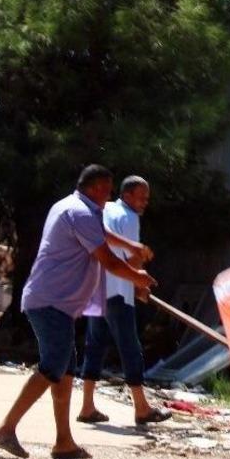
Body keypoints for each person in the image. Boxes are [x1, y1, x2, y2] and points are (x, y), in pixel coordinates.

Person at [0, 165, 156, 459]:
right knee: (52, 366)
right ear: (93, 188)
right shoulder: (79, 212)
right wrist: (138, 278)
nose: (108, 195)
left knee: (65, 372)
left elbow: (103, 236)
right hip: (51, 302)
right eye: (105, 189)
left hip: (59, 304)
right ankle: (5, 429)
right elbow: (108, 260)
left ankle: (63, 441)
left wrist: (131, 246)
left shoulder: (73, 207)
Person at [77, 175, 171, 426]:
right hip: (117, 291)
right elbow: (133, 257)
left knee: (94, 345)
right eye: (141, 197)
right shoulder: (129, 218)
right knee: (130, 346)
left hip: (97, 289)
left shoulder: (105, 209)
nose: (144, 203)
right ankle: (141, 408)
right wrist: (138, 286)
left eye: (147, 199)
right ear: (127, 195)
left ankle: (87, 406)